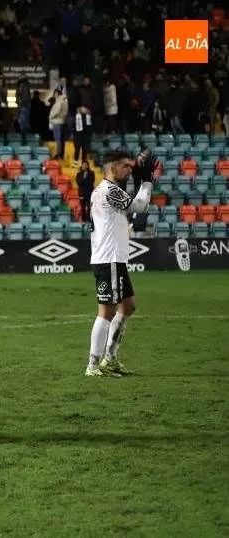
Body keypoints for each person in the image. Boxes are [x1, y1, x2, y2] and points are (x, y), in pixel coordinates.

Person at [84, 150, 158, 378]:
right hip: (109, 259)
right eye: (125, 165)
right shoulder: (109, 190)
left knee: (128, 307)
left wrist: (138, 181)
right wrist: (146, 181)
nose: (129, 168)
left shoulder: (106, 190)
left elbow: (132, 205)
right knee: (106, 312)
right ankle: (93, 366)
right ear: (112, 168)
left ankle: (110, 359)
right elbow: (140, 206)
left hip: (114, 258)